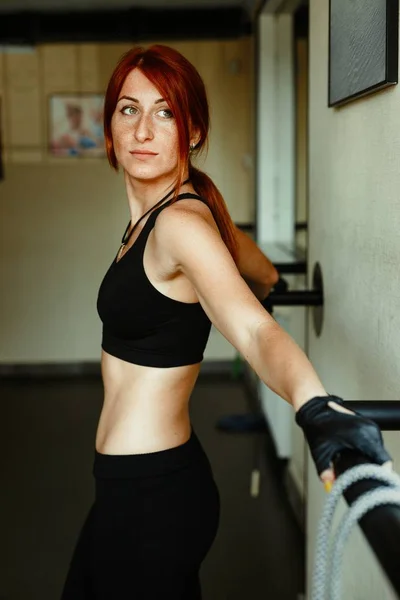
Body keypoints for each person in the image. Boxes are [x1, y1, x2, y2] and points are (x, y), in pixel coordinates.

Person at [60, 44, 392, 600]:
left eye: (165, 111)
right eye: (128, 109)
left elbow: (255, 332)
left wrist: (315, 407)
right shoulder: (183, 211)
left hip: (152, 495)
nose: (143, 129)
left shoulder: (181, 225)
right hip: (134, 486)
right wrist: (273, 284)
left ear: (191, 131)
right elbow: (247, 259)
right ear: (109, 128)